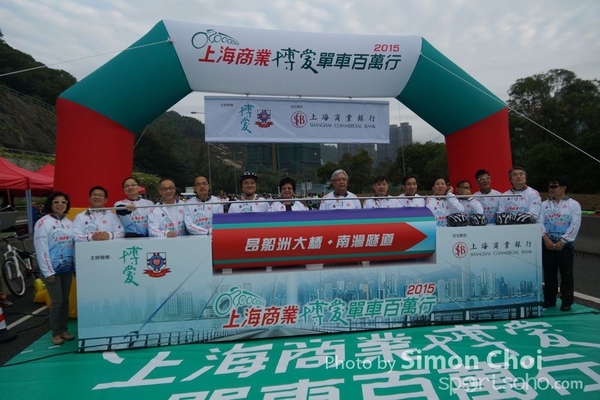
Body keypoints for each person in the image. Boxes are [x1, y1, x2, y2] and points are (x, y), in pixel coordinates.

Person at [33, 191, 75, 345]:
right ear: (50, 204)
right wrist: (47, 271)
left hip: (67, 269)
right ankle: (56, 333)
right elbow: (41, 248)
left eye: (63, 202)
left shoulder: (69, 222)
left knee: (65, 300)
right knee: (57, 302)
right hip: (52, 271)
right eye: (56, 202)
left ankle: (64, 330)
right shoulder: (43, 223)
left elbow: (73, 245)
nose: (60, 204)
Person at [540, 178, 581, 311]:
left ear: (563, 188)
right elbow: (539, 222)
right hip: (547, 243)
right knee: (549, 273)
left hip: (565, 245)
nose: (551, 189)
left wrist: (563, 241)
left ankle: (567, 300)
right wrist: (545, 238)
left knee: (566, 274)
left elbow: (575, 224)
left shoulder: (574, 205)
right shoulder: (543, 205)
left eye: (554, 186)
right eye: (550, 187)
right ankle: (549, 299)